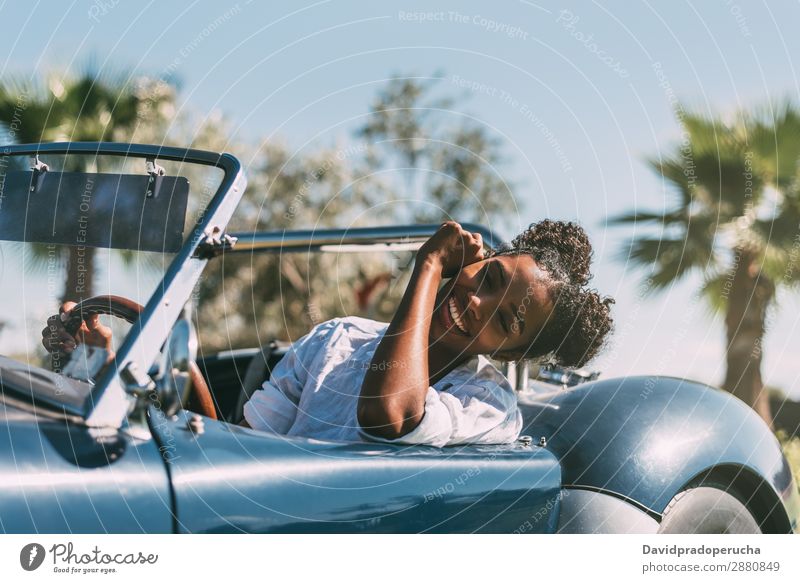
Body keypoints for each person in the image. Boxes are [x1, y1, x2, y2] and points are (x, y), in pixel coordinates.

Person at [43, 220, 614, 448]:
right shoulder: (339, 337)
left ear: (514, 351)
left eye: (508, 319)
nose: (476, 301)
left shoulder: (488, 403)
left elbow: (390, 416)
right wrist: (108, 361)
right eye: (487, 277)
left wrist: (429, 266)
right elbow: (238, 448)